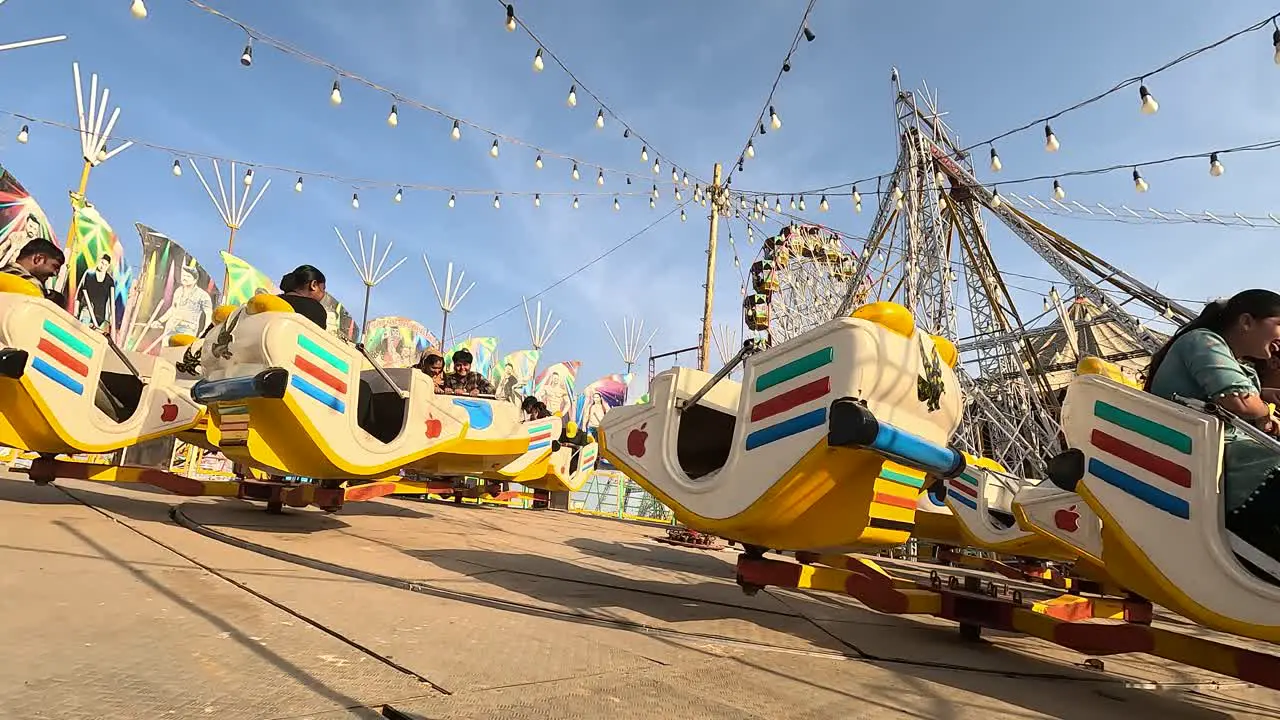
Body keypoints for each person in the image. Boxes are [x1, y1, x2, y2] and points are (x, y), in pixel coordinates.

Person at [1145, 289, 1280, 561]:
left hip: (1218, 456)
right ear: (1246, 322)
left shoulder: (1235, 361)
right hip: (1211, 464)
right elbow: (1236, 399)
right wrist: (1265, 411)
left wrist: (1263, 395)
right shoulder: (1203, 341)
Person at [76, 253, 116, 331]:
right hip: (87, 309)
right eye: (102, 263)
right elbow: (79, 293)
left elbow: (111, 301)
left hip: (100, 315)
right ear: (99, 262)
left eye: (105, 264)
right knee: (83, 331)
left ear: (108, 266)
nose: (102, 266)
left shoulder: (109, 281)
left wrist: (111, 317)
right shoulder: (89, 273)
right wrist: (76, 310)